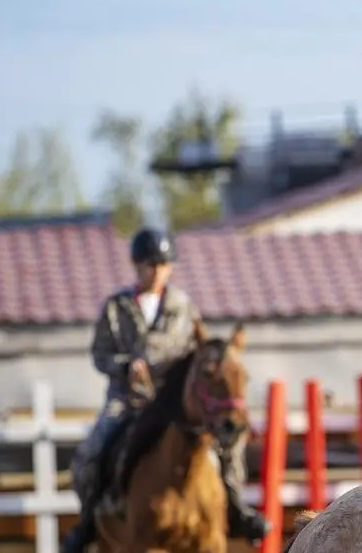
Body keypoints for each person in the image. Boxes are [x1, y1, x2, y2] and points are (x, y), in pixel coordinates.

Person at [62, 227, 271, 552]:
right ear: (137, 265)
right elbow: (99, 354)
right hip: (128, 398)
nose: (158, 272)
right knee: (94, 448)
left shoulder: (183, 306)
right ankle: (89, 520)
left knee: (226, 444)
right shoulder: (116, 307)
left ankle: (237, 508)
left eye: (164, 265)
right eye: (151, 265)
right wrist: (124, 366)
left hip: (174, 399)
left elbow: (198, 349)